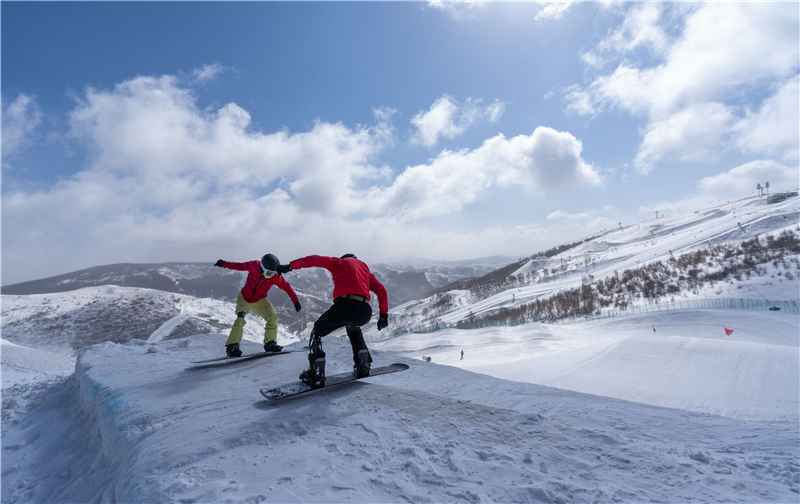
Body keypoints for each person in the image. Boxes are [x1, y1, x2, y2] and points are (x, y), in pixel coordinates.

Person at [276, 253, 388, 388]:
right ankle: (362, 364)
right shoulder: (365, 271)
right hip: (364, 311)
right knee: (353, 327)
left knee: (316, 331)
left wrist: (290, 266)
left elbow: (313, 259)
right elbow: (381, 290)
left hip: (344, 306)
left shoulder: (338, 263)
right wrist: (383, 315)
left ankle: (316, 373)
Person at [214, 254, 301, 357]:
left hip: (260, 300)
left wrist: (295, 301)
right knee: (240, 318)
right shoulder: (253, 265)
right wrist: (224, 264)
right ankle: (232, 346)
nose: (271, 275)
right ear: (262, 267)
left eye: (273, 273)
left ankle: (270, 343)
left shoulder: (275, 277)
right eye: (269, 272)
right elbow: (239, 266)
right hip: (244, 298)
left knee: (272, 317)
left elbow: (287, 287)